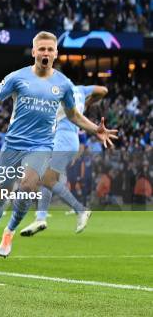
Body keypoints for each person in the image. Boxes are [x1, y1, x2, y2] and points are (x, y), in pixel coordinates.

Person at [0, 31, 117, 259]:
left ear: (56, 53)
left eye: (50, 49)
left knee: (28, 187)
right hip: (13, 144)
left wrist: (95, 128)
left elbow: (74, 115)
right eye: (42, 49)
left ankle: (9, 231)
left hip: (41, 145)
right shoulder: (17, 77)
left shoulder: (64, 84)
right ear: (34, 52)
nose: (46, 53)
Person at [20, 84, 108, 236]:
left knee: (46, 179)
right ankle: (40, 218)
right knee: (46, 178)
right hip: (69, 139)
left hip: (62, 138)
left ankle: (80, 210)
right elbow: (103, 90)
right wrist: (87, 103)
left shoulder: (55, 90)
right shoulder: (80, 90)